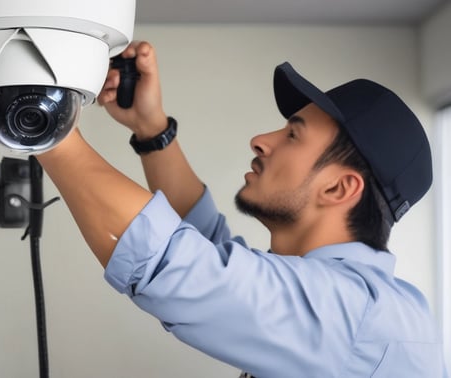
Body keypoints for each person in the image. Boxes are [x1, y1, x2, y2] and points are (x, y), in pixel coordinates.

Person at [36, 41, 447, 377]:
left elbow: (176, 263)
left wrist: (42, 122)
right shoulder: (348, 302)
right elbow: (202, 246)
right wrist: (151, 127)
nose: (261, 139)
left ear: (340, 187)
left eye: (293, 135)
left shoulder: (357, 314)